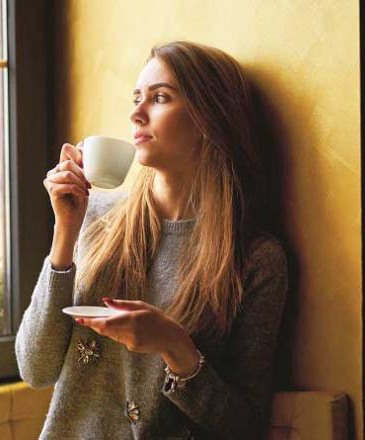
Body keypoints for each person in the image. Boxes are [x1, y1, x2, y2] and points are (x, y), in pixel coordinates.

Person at [15, 40, 289, 440]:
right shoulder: (96, 217)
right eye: (137, 97)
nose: (136, 113)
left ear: (210, 120)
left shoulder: (257, 259)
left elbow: (243, 426)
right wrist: (64, 232)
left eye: (159, 98)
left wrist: (177, 349)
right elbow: (35, 368)